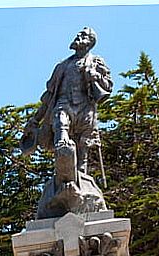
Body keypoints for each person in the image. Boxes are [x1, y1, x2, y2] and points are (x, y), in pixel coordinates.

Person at [20, 27, 113, 179]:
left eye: (83, 35)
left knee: (83, 146)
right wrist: (36, 119)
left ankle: (81, 177)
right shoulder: (62, 66)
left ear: (90, 42)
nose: (78, 36)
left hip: (85, 108)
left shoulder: (96, 62)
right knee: (60, 122)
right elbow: (49, 97)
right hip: (64, 104)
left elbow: (107, 87)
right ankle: (62, 152)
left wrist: (95, 76)